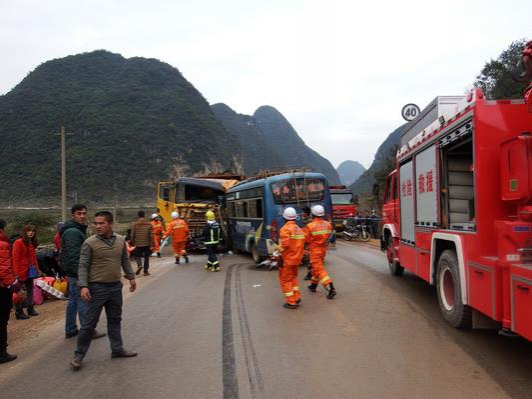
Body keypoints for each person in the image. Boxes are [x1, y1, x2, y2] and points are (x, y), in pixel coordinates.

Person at [70, 211, 137, 371]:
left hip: (115, 287)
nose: (98, 226)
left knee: (115, 319)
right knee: (89, 324)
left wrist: (131, 277)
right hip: (96, 288)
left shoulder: (120, 240)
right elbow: (83, 266)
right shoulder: (89, 243)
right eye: (96, 223)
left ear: (110, 223)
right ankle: (78, 356)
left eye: (101, 223)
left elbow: (124, 260)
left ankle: (117, 349)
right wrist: (83, 286)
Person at [61, 204, 105, 339]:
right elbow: (74, 256)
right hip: (76, 271)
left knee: (74, 300)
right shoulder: (73, 232)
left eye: (84, 213)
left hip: (72, 271)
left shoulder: (75, 230)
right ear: (73, 215)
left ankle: (70, 329)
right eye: (79, 213)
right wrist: (82, 276)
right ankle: (88, 330)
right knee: (83, 300)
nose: (82, 216)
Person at [274, 207, 306, 309]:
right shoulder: (299, 229)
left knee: (285, 280)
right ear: (295, 218)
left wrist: (277, 251)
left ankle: (291, 302)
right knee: (293, 278)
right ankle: (296, 297)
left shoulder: (285, 229)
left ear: (284, 218)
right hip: (297, 259)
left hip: (287, 260)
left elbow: (285, 244)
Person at [305, 205, 337, 299]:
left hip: (314, 250)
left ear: (313, 214)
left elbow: (306, 240)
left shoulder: (310, 226)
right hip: (323, 250)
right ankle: (313, 285)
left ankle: (331, 287)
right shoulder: (328, 224)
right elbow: (329, 235)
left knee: (319, 269)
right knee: (317, 268)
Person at [12, 225, 40, 319]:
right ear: (24, 232)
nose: (31, 233)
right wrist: (17, 273)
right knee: (19, 292)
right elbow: (15, 259)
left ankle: (30, 308)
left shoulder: (30, 243)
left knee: (30, 290)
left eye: (33, 231)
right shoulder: (18, 242)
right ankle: (18, 311)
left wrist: (37, 269)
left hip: (30, 271)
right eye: (28, 231)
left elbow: (33, 258)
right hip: (21, 271)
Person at [0, 219, 17, 363]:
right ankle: (2, 352)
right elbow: (4, 268)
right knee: (2, 320)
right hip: (2, 288)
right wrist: (11, 284)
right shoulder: (3, 245)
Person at [131, 210, 154, 276]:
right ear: (144, 215)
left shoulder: (135, 224)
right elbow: (151, 236)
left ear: (138, 216)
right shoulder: (149, 224)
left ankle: (140, 265)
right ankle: (145, 271)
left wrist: (132, 242)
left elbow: (132, 234)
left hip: (138, 243)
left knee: (137, 256)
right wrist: (152, 244)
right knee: (146, 257)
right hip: (147, 243)